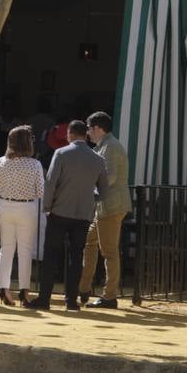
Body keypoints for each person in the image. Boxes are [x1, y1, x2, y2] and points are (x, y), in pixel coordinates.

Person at [28, 120, 108, 311]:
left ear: (70, 134)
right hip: (83, 215)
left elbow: (51, 182)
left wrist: (47, 206)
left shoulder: (61, 153)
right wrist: (90, 199)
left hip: (59, 211)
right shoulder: (98, 159)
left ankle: (44, 298)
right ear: (85, 135)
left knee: (51, 255)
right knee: (76, 256)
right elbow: (104, 192)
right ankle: (71, 300)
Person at [79, 112, 131, 308]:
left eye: (89, 128)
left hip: (110, 206)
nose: (88, 133)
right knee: (90, 242)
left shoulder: (110, 147)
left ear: (98, 128)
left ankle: (109, 296)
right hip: (106, 206)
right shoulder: (106, 146)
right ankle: (84, 288)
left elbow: (109, 178)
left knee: (109, 251)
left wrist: (87, 189)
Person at [0, 125, 45, 306]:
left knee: (6, 249)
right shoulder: (35, 164)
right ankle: (24, 292)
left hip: (5, 206)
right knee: (25, 251)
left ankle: (4, 289)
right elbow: (40, 191)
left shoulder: (1, 162)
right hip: (26, 208)